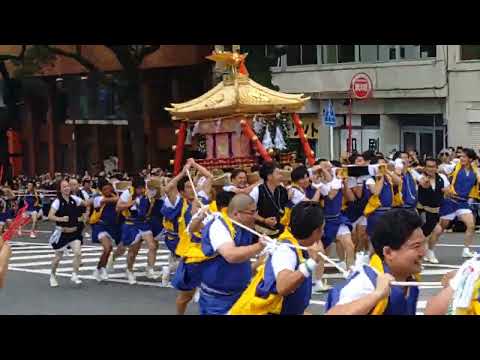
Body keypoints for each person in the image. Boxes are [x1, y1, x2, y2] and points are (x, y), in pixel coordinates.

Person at [229, 201, 325, 315]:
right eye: (322, 229)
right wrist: (311, 263)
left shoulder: (297, 246)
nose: (323, 233)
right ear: (316, 231)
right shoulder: (286, 250)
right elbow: (283, 286)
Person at [325, 209, 425, 315]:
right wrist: (377, 294)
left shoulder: (409, 280)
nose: (423, 252)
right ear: (388, 252)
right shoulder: (366, 283)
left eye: (424, 244)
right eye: (416, 246)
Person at [198, 193, 266, 315]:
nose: (255, 216)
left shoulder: (244, 226)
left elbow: (241, 262)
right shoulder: (219, 226)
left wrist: (260, 262)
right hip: (217, 299)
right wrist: (260, 246)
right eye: (251, 212)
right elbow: (231, 255)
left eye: (256, 211)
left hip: (240, 294)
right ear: (236, 214)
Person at [173, 190, 235, 315]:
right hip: (195, 261)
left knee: (218, 296)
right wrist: (201, 215)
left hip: (215, 261)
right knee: (185, 297)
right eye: (195, 205)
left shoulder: (232, 217)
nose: (195, 207)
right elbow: (192, 228)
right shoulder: (208, 215)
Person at [161, 158, 213, 283]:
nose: (192, 189)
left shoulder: (201, 198)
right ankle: (171, 270)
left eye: (193, 186)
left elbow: (210, 177)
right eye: (188, 187)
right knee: (191, 264)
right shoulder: (179, 202)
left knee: (201, 262)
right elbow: (168, 189)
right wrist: (183, 173)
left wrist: (194, 164)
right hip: (185, 239)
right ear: (182, 192)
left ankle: (170, 269)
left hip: (202, 237)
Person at [429, 148, 480, 259]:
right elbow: (442, 168)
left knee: (471, 225)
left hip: (463, 202)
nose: (461, 158)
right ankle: (430, 251)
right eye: (460, 156)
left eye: (464, 156)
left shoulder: (475, 171)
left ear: (470, 159)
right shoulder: (454, 167)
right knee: (441, 228)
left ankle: (466, 250)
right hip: (450, 201)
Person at [114, 177, 158, 284]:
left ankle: (150, 269)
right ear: (134, 188)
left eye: (143, 188)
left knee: (152, 245)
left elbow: (160, 190)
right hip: (131, 223)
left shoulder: (148, 193)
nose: (141, 190)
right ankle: (128, 269)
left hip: (143, 223)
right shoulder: (128, 193)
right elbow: (118, 207)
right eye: (139, 188)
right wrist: (132, 203)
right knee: (132, 251)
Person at [47, 180, 91, 287]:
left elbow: (86, 203)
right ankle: (52, 275)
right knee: (58, 258)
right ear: (60, 189)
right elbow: (50, 216)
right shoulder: (57, 202)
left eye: (68, 186)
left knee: (78, 253)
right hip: (62, 233)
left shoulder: (74, 199)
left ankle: (74, 275)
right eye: (64, 186)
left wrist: (86, 213)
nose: (67, 188)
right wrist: (61, 218)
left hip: (74, 232)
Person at [417, 158, 450, 264]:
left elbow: (448, 189)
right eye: (428, 166)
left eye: (433, 166)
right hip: (422, 211)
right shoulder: (421, 177)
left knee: (433, 232)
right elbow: (423, 184)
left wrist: (446, 191)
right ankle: (425, 254)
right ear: (425, 167)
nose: (430, 169)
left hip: (435, 211)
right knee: (424, 234)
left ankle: (428, 252)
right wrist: (425, 183)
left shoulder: (442, 178)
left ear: (436, 167)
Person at [89, 178, 120, 282]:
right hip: (100, 226)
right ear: (101, 191)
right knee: (107, 248)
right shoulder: (98, 198)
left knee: (109, 250)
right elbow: (115, 200)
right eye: (105, 189)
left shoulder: (114, 195)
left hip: (112, 228)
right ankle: (102, 268)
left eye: (109, 188)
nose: (107, 191)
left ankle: (99, 268)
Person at [249, 162, 289, 238]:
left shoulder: (282, 190)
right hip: (262, 233)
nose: (281, 176)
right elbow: (249, 212)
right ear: (269, 176)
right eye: (278, 174)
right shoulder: (257, 191)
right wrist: (264, 220)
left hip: (280, 230)